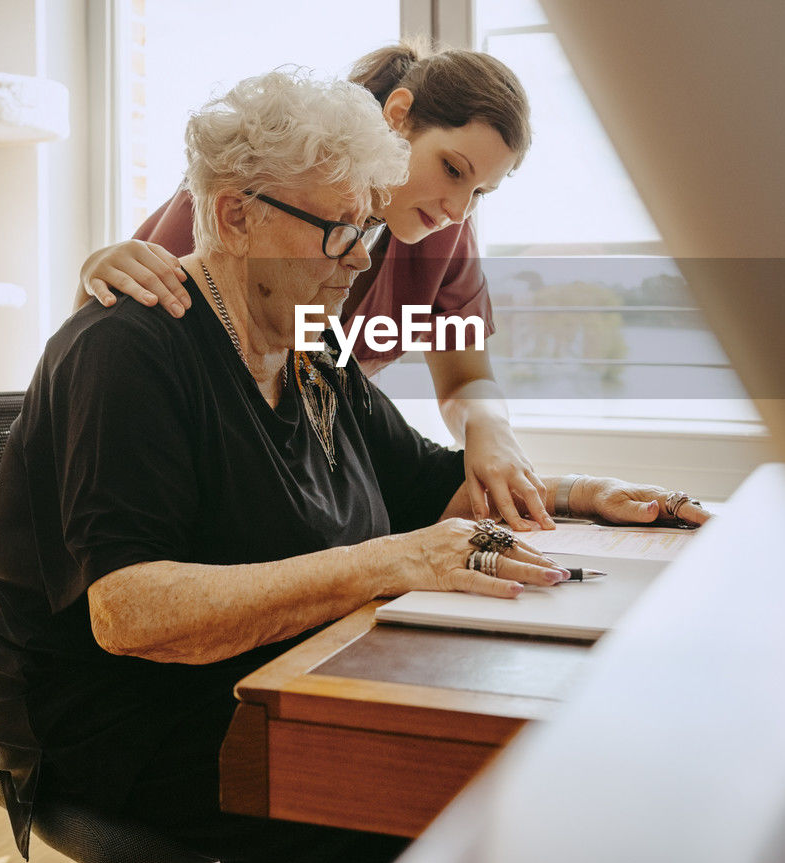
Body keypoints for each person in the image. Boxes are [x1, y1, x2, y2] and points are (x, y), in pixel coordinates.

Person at [0, 71, 706, 863]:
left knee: (487, 786)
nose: (361, 257)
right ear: (236, 214)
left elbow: (430, 490)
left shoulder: (312, 346)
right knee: (387, 820)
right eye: (336, 229)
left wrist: (579, 493)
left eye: (368, 224)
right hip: (118, 716)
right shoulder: (127, 349)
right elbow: (130, 612)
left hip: (273, 669)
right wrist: (386, 564)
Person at [77, 41, 553, 538]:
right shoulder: (257, 197)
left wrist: (491, 431)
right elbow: (107, 339)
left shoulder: (442, 234)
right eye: (453, 170)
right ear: (398, 115)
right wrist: (94, 270)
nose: (458, 208)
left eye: (479, 194)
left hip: (302, 468)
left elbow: (463, 379)